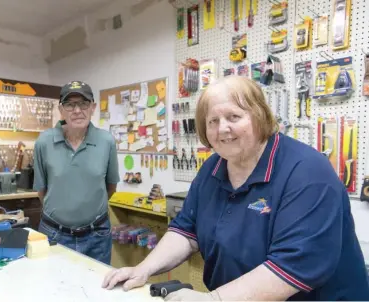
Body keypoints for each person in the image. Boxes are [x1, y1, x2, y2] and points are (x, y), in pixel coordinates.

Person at [102, 76, 369, 300]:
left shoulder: (307, 172)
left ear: (260, 117)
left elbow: (293, 268)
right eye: (213, 121)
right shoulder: (213, 169)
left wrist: (215, 299)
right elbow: (186, 230)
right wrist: (144, 269)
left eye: (234, 116)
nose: (223, 129)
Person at [33, 80, 119, 265]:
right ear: (61, 110)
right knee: (53, 289)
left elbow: (110, 188)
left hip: (97, 235)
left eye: (83, 103)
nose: (77, 110)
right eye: (70, 104)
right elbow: (41, 191)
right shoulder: (43, 142)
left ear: (93, 107)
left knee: (97, 289)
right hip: (53, 234)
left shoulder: (106, 141)